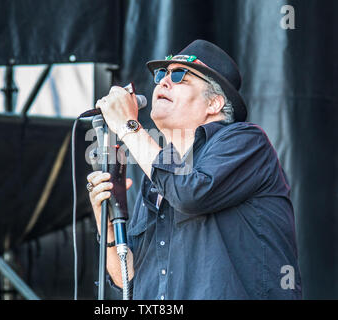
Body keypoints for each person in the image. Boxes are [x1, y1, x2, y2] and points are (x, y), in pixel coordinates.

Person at [86, 40, 302, 299]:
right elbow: (129, 280)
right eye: (161, 74)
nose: (163, 82)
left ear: (214, 104)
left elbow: (190, 192)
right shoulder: (157, 175)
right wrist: (107, 225)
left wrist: (128, 125)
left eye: (179, 75)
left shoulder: (246, 141)